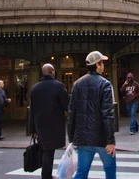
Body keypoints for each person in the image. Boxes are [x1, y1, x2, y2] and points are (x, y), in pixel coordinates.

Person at [68, 51, 116, 179]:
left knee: (82, 172)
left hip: (83, 137)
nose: (103, 65)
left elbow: (71, 112)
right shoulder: (105, 84)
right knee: (110, 170)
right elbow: (107, 113)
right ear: (97, 65)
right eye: (102, 63)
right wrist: (110, 140)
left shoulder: (77, 84)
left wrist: (71, 137)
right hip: (102, 138)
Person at [30, 63, 70, 179]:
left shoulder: (35, 87)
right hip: (54, 124)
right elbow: (67, 105)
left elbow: (32, 109)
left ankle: (46, 174)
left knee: (45, 150)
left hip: (39, 124)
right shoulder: (58, 86)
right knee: (49, 152)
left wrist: (32, 128)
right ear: (52, 72)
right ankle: (46, 176)